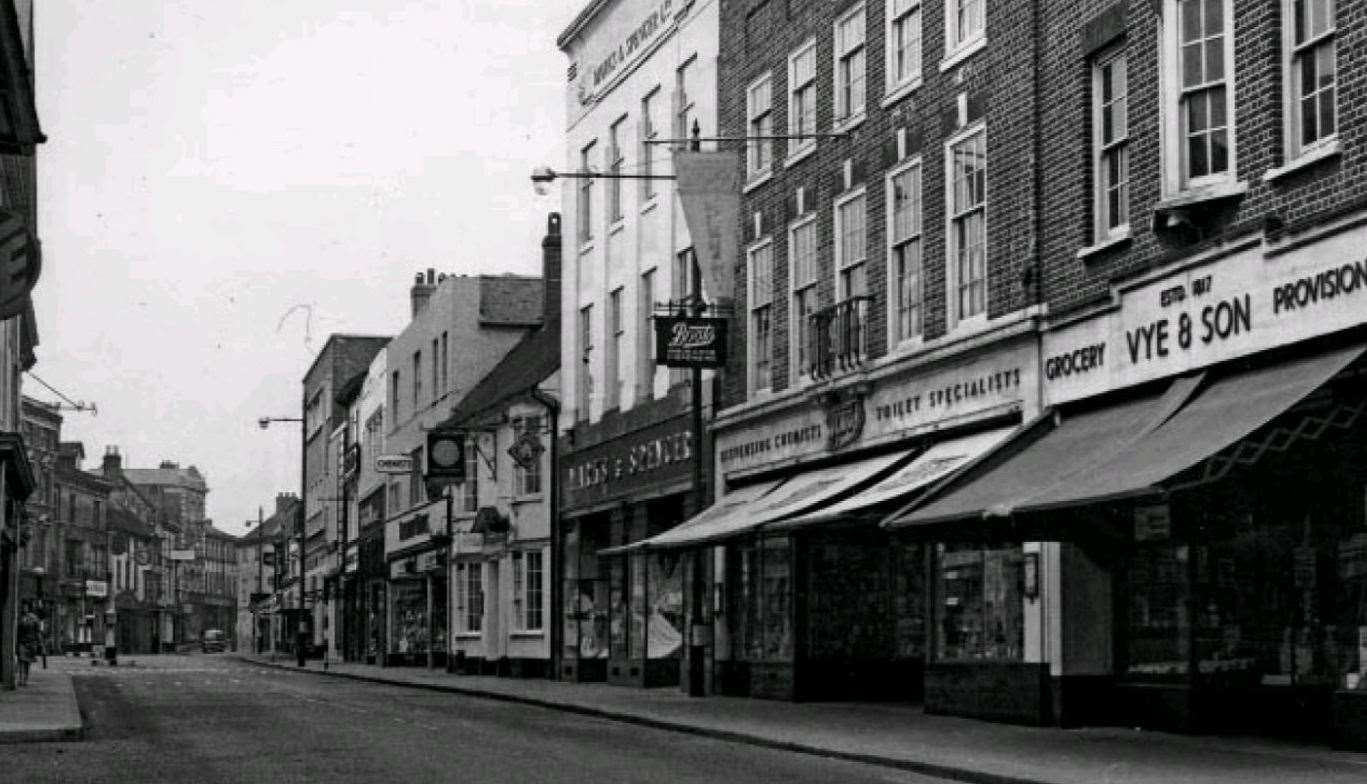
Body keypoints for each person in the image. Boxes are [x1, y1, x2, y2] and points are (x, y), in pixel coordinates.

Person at [17, 609, 40, 686]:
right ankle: (22, 679)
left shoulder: (33, 619)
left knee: (25, 662)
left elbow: (37, 631)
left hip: (28, 643)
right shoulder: (21, 619)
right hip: (25, 642)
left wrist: (38, 642)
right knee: (23, 661)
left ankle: (23, 679)